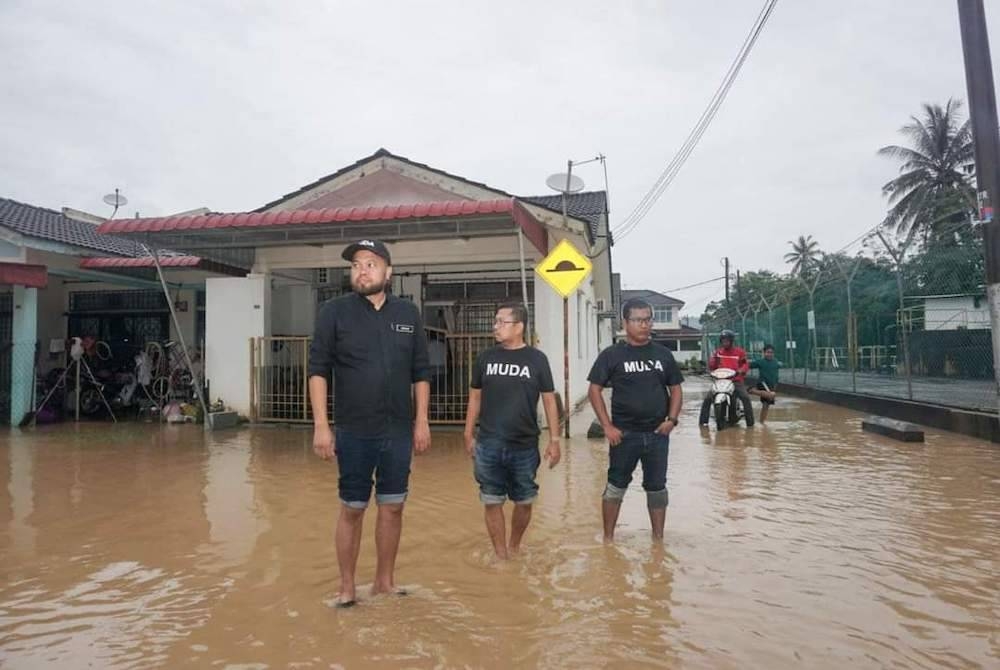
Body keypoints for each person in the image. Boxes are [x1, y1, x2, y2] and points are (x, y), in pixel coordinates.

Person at [308, 238, 432, 608]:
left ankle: (384, 583)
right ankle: (347, 588)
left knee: (393, 506)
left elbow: (420, 372)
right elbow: (318, 370)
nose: (362, 271)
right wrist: (321, 425)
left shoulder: (408, 314)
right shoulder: (334, 312)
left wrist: (422, 421)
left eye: (370, 264)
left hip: (398, 430)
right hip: (353, 429)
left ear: (388, 272)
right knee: (353, 507)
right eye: (356, 265)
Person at [463, 302, 561, 559]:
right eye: (495, 321)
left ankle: (515, 546)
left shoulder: (537, 359)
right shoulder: (485, 358)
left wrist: (555, 440)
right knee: (491, 500)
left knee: (525, 501)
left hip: (524, 445)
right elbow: (475, 397)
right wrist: (468, 433)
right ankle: (501, 555)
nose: (495, 326)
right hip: (489, 443)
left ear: (519, 327)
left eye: (501, 322)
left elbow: (549, 400)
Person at [587, 298, 684, 542]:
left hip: (658, 434)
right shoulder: (612, 355)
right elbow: (594, 390)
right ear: (625, 323)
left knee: (657, 488)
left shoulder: (663, 354)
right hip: (623, 435)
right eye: (638, 320)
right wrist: (607, 426)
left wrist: (671, 420)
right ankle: (608, 540)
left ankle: (658, 541)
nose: (644, 325)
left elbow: (676, 389)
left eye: (648, 319)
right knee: (615, 487)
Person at [698, 329, 754, 427]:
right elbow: (712, 365)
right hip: (720, 380)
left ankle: (750, 423)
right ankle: (703, 422)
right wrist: (711, 366)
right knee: (707, 399)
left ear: (731, 341)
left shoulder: (739, 352)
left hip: (735, 381)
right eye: (723, 340)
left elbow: (745, 364)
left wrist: (741, 370)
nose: (725, 342)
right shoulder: (718, 352)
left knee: (745, 398)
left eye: (727, 340)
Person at [749, 344, 782, 423]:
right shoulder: (761, 361)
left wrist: (775, 386)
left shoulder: (776, 362)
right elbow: (749, 365)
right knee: (769, 398)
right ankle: (752, 390)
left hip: (771, 386)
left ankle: (762, 422)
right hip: (763, 384)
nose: (769, 354)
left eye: (771, 352)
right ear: (764, 353)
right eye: (768, 352)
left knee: (766, 405)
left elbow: (777, 374)